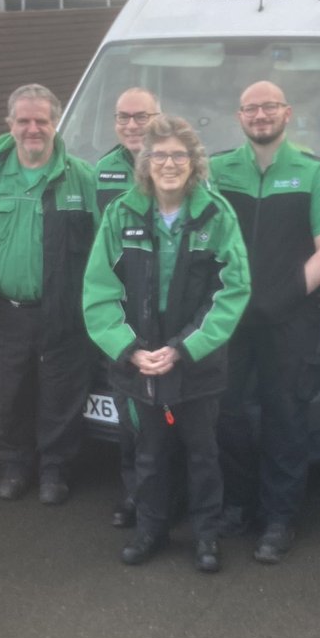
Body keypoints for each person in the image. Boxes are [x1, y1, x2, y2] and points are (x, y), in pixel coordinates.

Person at [84, 116, 250, 572]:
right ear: (145, 162)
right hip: (139, 366)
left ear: (195, 162)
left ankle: (206, 537)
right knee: (149, 454)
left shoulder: (216, 215)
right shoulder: (122, 213)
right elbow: (99, 291)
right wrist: (131, 349)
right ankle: (150, 531)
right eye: (159, 155)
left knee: (203, 454)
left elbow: (232, 292)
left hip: (196, 364)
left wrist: (181, 348)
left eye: (179, 154)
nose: (169, 163)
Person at [211, 81, 320, 564]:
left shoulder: (312, 173)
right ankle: (238, 505)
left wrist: (284, 296)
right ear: (240, 115)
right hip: (229, 316)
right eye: (251, 108)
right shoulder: (218, 170)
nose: (260, 115)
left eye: (269, 107)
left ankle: (279, 519)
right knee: (227, 414)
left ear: (287, 113)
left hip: (290, 318)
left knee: (285, 415)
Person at [0, 84, 97, 504]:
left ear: (56, 124)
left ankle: (55, 472)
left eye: (42, 120)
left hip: (61, 310)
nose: (33, 128)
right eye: (24, 120)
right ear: (10, 125)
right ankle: (17, 466)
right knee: (7, 394)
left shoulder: (81, 177)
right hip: (2, 311)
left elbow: (101, 246)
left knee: (61, 394)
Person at [95, 87, 162, 528]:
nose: (132, 125)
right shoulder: (99, 172)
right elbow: (92, 249)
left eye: (141, 116)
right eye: (123, 117)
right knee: (128, 415)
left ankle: (168, 498)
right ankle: (135, 497)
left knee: (169, 417)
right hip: (120, 316)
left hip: (168, 313)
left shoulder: (180, 166)